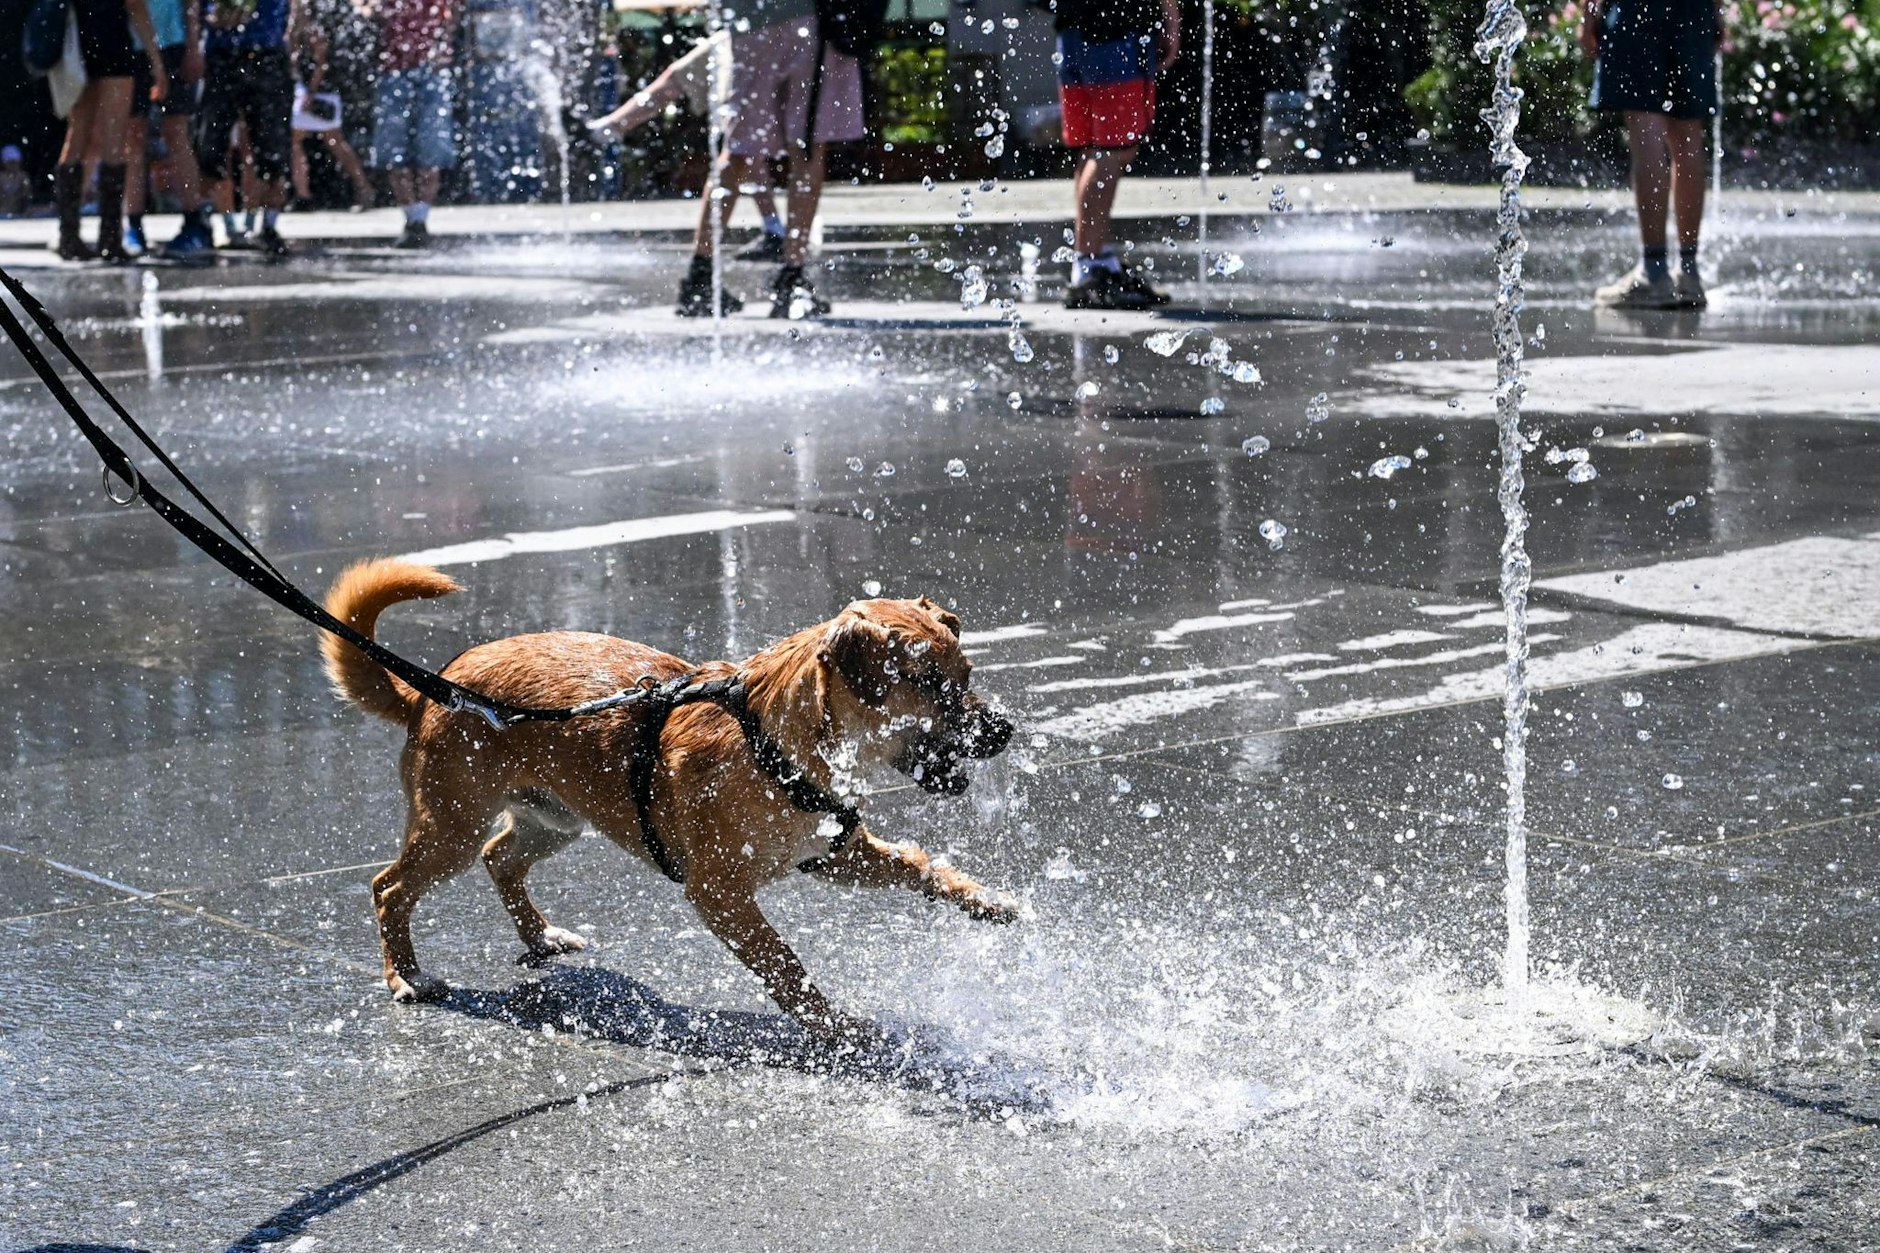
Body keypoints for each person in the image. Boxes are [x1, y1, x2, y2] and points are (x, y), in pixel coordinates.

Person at [673, 0, 870, 318]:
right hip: (810, 18)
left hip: (749, 21)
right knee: (806, 148)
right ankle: (791, 276)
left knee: (739, 150)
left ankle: (700, 275)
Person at [586, 29, 787, 260]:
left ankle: (760, 240)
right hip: (749, 29)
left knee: (739, 144)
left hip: (768, 29)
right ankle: (609, 128)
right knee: (683, 78)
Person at [1581, 0, 1719, 309]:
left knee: (1647, 131)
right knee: (1687, 136)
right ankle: (1689, 272)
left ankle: (1653, 272)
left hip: (1637, 10)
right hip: (1693, 11)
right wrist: (1715, 11)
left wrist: (1590, 11)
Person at [1055, 0, 1179, 310]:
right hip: (1116, 32)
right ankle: (1089, 268)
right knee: (1114, 149)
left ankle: (1096, 262)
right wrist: (1171, 22)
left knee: (1093, 149)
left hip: (1072, 32)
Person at [53, 0, 168, 261]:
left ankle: (68, 236)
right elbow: (135, 6)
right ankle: (110, 239)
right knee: (113, 140)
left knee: (76, 136)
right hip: (112, 43)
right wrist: (156, 60)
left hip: (76, 46)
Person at [197, 0, 297, 258]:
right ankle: (217, 223)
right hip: (222, 53)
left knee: (273, 149)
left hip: (268, 51)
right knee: (211, 146)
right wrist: (209, 18)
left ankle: (268, 225)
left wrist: (294, 38)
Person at [362, 0, 460, 249]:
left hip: (432, 71)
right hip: (394, 71)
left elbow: (453, 14)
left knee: (431, 149)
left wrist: (444, 46)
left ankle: (420, 219)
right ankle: (412, 219)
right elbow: (364, 8)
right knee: (395, 151)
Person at [125, 0, 216, 258]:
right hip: (133, 43)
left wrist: (193, 46)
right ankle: (133, 224)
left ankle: (194, 221)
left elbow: (191, 3)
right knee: (134, 135)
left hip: (174, 43)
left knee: (176, 131)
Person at [288, 13, 374, 210]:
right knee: (306, 141)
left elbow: (321, 61)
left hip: (320, 94)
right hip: (308, 91)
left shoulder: (314, 26)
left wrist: (312, 91)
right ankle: (303, 193)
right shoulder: (299, 26)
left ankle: (362, 187)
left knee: (333, 142)